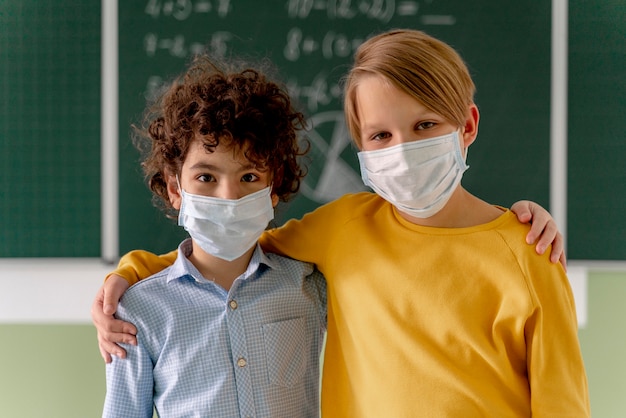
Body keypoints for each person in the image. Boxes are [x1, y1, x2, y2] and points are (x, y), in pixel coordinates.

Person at [93, 29, 588, 417]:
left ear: (468, 126)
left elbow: (563, 405)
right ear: (361, 149)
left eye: (425, 126)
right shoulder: (343, 228)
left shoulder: (531, 253)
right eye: (379, 134)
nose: (403, 149)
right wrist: (132, 273)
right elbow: (231, 248)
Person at [102, 54, 327, 417]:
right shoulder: (138, 311)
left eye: (249, 177)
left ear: (275, 185)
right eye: (206, 178)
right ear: (176, 188)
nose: (229, 196)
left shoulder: (308, 288)